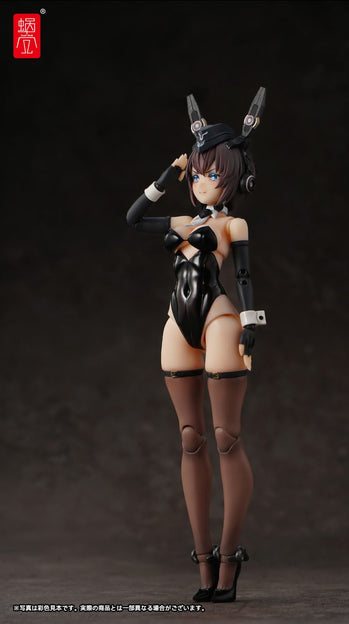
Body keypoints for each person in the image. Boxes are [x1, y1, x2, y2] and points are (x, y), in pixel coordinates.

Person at [126, 89, 266, 603]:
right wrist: (168, 175)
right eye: (199, 174)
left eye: (215, 174)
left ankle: (229, 561)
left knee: (226, 436)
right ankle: (203, 563)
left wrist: (251, 323)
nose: (204, 182)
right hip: (176, 326)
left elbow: (244, 277)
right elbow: (134, 218)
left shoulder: (233, 224)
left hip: (220, 320)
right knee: (190, 438)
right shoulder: (183, 222)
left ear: (237, 178)